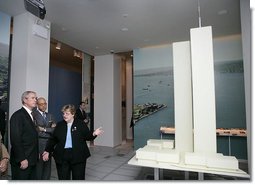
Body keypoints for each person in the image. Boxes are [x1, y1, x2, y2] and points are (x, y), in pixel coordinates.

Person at [42, 104, 103, 180]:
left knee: (78, 178)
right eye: (63, 113)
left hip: (78, 155)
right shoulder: (60, 125)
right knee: (63, 178)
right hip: (62, 155)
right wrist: (47, 150)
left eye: (67, 113)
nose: (64, 115)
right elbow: (53, 139)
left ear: (73, 114)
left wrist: (94, 133)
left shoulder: (81, 124)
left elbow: (88, 137)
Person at [10, 90, 39, 180]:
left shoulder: (31, 115)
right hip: (23, 160)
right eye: (33, 98)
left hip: (31, 159)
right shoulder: (18, 115)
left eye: (36, 98)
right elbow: (15, 139)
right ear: (25, 100)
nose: (35, 100)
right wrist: (22, 159)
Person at [32, 97, 56, 180]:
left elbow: (54, 130)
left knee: (48, 164)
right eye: (41, 104)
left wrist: (44, 129)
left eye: (45, 103)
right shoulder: (33, 115)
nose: (44, 106)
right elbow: (36, 130)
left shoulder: (50, 115)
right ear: (37, 105)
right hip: (39, 143)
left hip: (49, 143)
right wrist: (49, 129)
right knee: (39, 165)